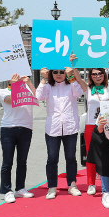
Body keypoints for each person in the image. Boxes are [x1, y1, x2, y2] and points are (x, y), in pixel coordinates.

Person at [70, 53, 109, 195]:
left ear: (104, 74)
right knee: (91, 155)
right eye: (94, 74)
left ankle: (108, 182)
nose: (97, 76)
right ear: (90, 76)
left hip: (108, 124)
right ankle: (91, 183)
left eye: (100, 73)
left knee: (107, 154)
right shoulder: (87, 88)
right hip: (91, 125)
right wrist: (73, 64)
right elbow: (76, 76)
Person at [36, 66, 83, 199]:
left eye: (62, 72)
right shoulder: (49, 86)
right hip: (53, 128)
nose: (58, 74)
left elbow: (79, 93)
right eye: (55, 72)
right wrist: (43, 79)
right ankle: (52, 187)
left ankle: (72, 185)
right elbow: (39, 97)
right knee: (52, 159)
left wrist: (72, 77)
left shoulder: (71, 85)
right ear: (51, 73)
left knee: (71, 158)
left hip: (70, 126)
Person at [0, 74, 36, 203]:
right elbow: (10, 100)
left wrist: (29, 82)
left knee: (22, 161)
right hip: (8, 128)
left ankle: (20, 188)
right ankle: (7, 190)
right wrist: (15, 85)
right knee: (7, 162)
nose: (18, 77)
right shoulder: (2, 91)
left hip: (26, 128)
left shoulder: (28, 88)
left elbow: (38, 97)